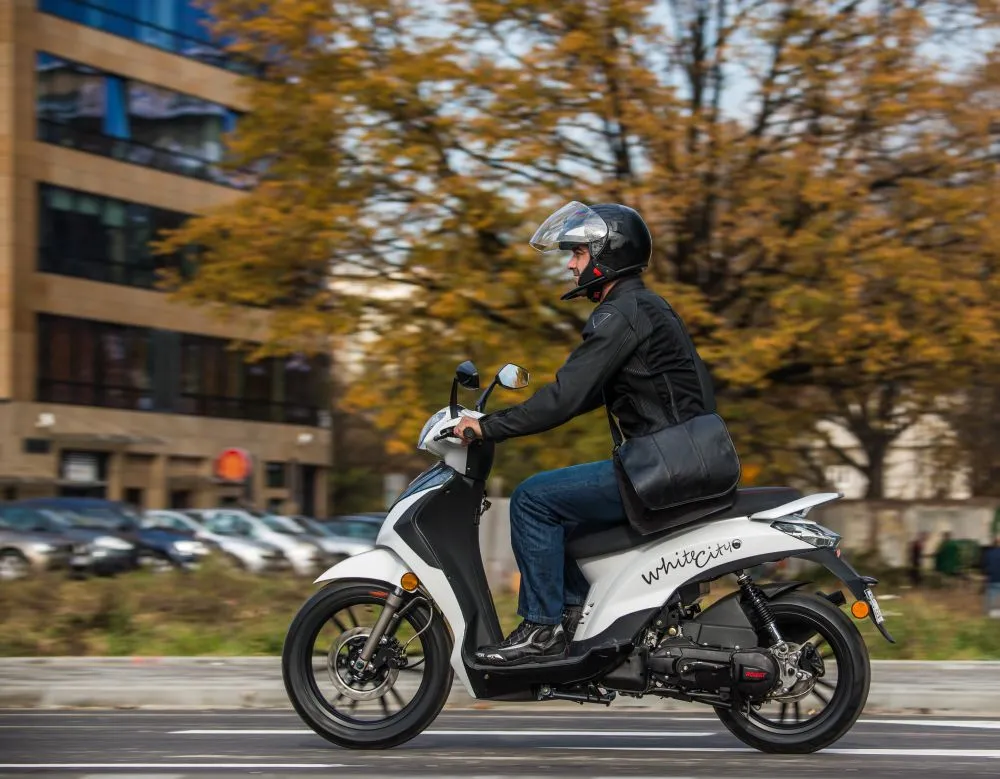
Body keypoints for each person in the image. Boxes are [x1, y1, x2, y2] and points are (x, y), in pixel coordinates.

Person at [453, 201, 719, 666]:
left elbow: (566, 397)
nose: (571, 265)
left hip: (665, 464)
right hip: (679, 458)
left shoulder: (620, 313)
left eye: (578, 253)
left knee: (533, 499)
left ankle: (543, 629)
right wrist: (517, 417)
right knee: (563, 519)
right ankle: (577, 621)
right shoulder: (644, 307)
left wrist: (487, 426)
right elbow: (592, 393)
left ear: (606, 253)